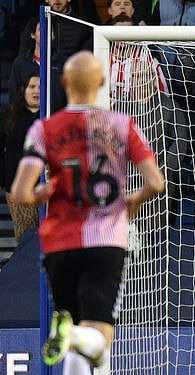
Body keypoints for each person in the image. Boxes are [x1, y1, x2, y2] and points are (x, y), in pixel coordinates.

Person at [8, 51, 165, 375]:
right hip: (106, 240)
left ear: (65, 83)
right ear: (102, 83)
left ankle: (68, 332)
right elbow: (155, 183)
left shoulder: (45, 129)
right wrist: (131, 202)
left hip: (60, 243)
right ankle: (73, 335)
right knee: (98, 336)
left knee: (76, 330)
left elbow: (21, 193)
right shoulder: (121, 125)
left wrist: (46, 191)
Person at [1, 74, 41, 240]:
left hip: (44, 188)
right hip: (17, 187)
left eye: (40, 87)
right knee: (25, 238)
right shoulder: (9, 116)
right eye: (32, 87)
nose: (36, 91)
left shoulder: (51, 117)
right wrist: (5, 179)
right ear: (23, 90)